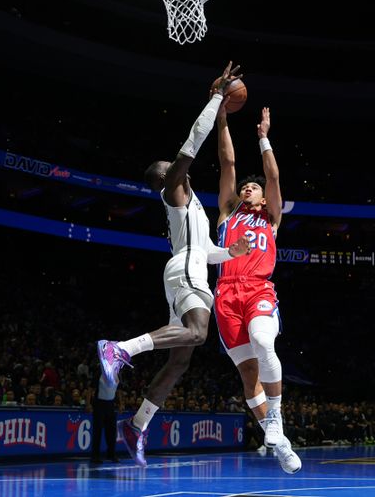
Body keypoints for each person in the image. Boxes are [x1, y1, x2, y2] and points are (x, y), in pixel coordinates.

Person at [96, 62, 250, 467]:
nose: (178, 167)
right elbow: (191, 143)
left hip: (189, 267)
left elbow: (203, 250)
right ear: (165, 178)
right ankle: (119, 348)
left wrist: (230, 254)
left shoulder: (192, 207)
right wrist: (217, 98)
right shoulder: (174, 190)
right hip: (184, 273)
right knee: (198, 334)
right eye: (172, 168)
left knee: (181, 357)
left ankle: (137, 424)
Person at [213, 104, 301, 474]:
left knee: (265, 342)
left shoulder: (272, 216)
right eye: (245, 187)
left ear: (263, 198)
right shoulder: (227, 213)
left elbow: (274, 177)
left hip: (258, 289)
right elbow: (227, 163)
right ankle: (278, 441)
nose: (248, 188)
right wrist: (221, 119)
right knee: (249, 376)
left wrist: (263, 137)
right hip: (225, 295)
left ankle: (277, 419)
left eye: (254, 188)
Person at [89, 371, 119, 464]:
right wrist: (88, 404)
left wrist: (121, 403)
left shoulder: (116, 374)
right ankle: (95, 456)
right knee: (97, 431)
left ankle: (111, 454)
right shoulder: (99, 372)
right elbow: (90, 389)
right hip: (99, 404)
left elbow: (119, 390)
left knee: (112, 431)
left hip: (111, 405)